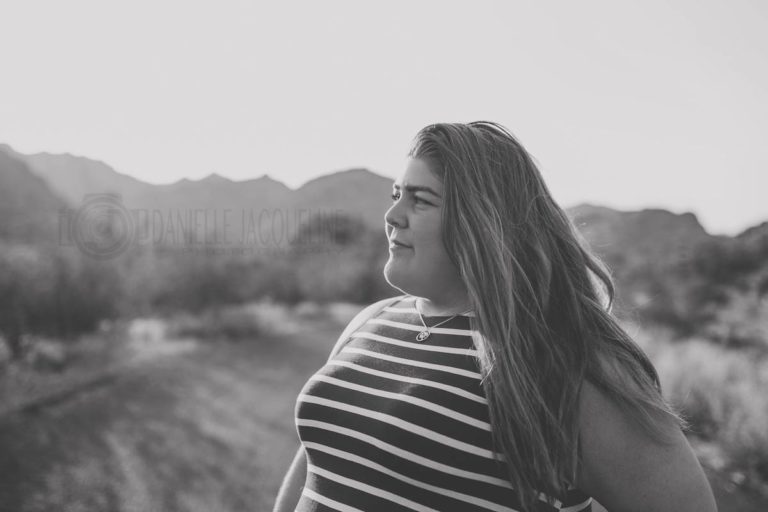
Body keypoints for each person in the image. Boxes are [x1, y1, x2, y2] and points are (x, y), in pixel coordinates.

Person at [273, 122, 718, 512]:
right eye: (395, 196)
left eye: (420, 200)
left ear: (482, 224)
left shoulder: (568, 363)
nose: (392, 216)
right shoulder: (370, 322)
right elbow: (315, 465)